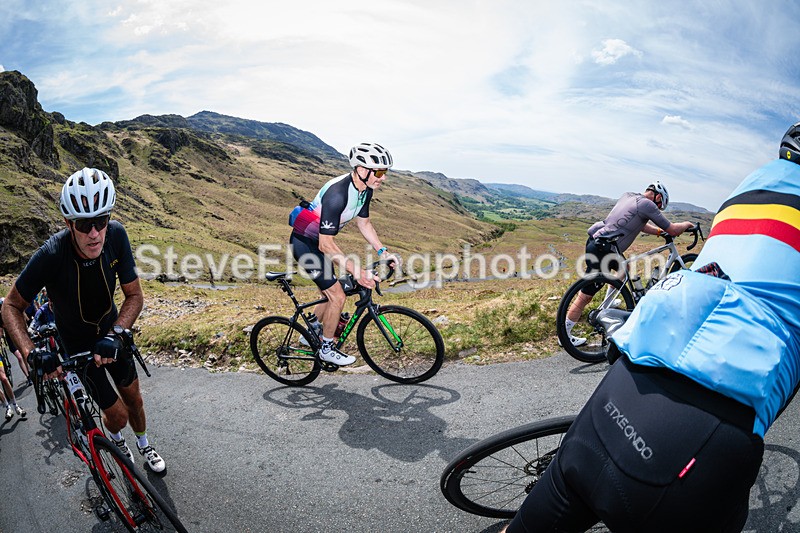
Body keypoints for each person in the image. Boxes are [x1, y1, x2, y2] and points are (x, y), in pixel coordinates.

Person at [505, 122, 800, 532]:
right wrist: (679, 228)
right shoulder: (648, 204)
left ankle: (588, 323)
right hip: (706, 443)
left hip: (621, 388)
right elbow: (665, 227)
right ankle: (584, 323)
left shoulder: (748, 187)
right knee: (616, 282)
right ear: (657, 195)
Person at [1, 168, 165, 473]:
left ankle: (145, 444)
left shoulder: (116, 235)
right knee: (117, 415)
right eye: (84, 224)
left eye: (100, 221)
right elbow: (11, 305)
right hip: (76, 344)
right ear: (68, 223)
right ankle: (116, 439)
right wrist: (30, 352)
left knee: (135, 400)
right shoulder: (51, 254)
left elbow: (134, 296)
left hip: (112, 333)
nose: (94, 233)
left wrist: (116, 333)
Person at [289, 142, 400, 365]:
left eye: (384, 172)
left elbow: (365, 224)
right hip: (305, 245)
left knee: (328, 293)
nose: (383, 178)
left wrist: (383, 251)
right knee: (337, 295)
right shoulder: (337, 194)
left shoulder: (365, 190)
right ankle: (327, 349)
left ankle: (309, 332)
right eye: (378, 172)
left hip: (319, 244)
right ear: (361, 170)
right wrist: (358, 271)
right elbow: (326, 245)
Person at [562, 181, 695, 346]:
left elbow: (640, 224)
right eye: (660, 205)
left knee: (624, 269)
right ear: (658, 196)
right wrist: (689, 225)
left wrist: (659, 232)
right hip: (604, 250)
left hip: (598, 242)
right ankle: (565, 336)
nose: (658, 208)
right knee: (586, 295)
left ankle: (610, 303)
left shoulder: (629, 196)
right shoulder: (647, 204)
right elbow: (674, 229)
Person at [0, 297, 31, 386]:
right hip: (11, 339)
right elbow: (1, 331)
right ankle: (28, 376)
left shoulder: (13, 310)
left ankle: (30, 371)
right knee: (20, 357)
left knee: (25, 355)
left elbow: (23, 319)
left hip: (20, 335)